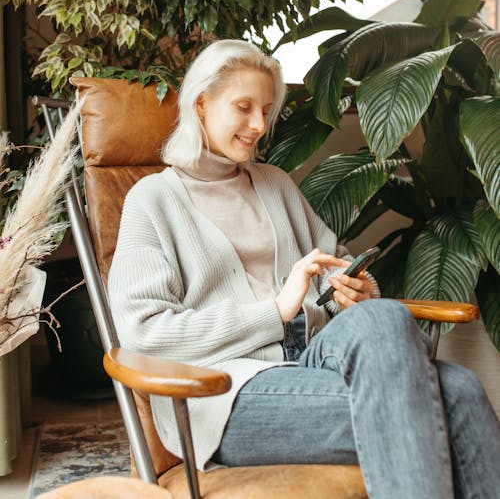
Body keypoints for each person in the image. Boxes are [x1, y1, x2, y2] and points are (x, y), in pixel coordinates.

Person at [108, 39, 500, 498]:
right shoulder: (153, 200)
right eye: (243, 107)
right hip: (223, 394)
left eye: (265, 110)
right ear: (201, 103)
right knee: (458, 396)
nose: (258, 125)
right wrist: (273, 311)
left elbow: (337, 260)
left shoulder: (274, 184)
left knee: (385, 315)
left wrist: (357, 290)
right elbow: (143, 332)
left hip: (311, 362)